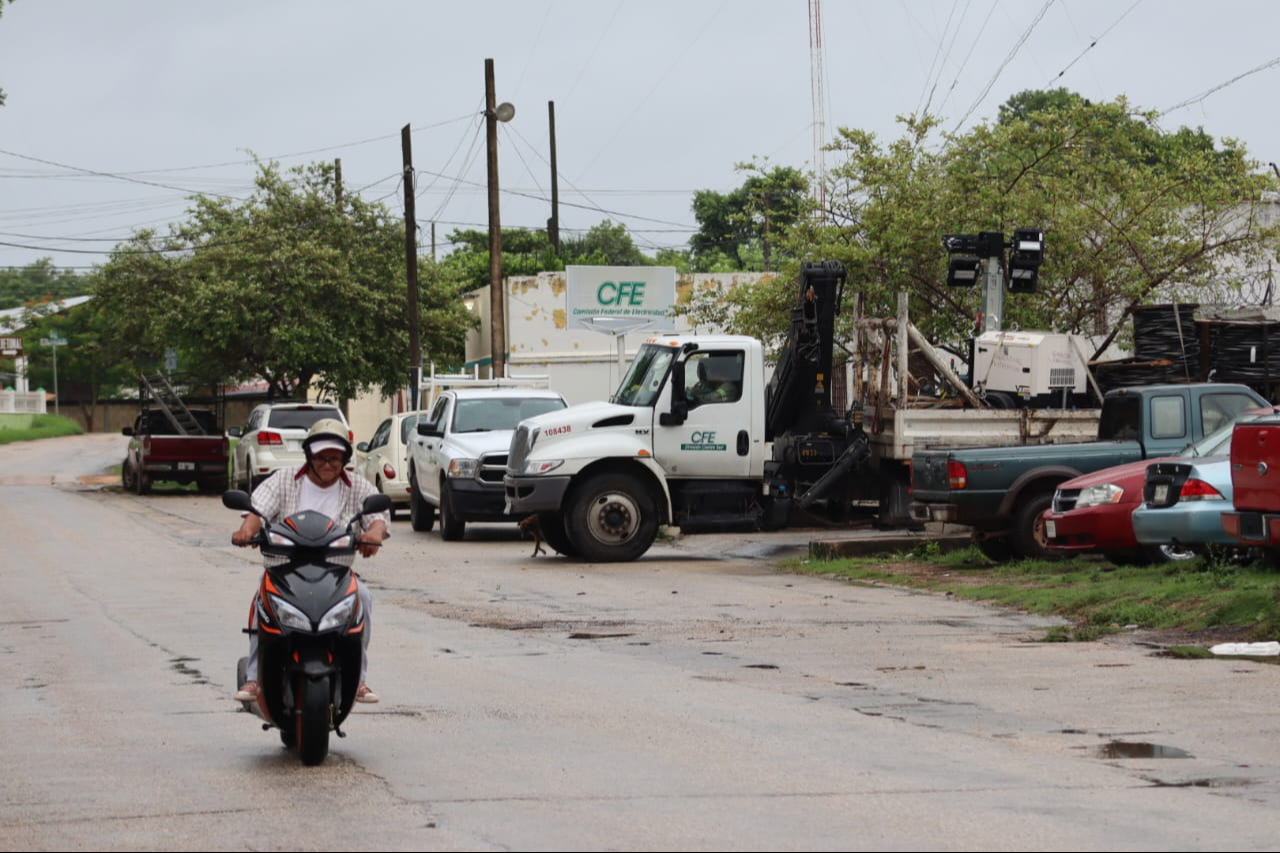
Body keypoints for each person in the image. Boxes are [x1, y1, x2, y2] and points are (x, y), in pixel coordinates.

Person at [231, 418, 390, 704]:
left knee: (363, 599)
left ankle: (358, 681)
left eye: (335, 458)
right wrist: (246, 532)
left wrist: (373, 535)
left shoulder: (358, 486)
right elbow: (258, 513)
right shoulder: (284, 479)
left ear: (344, 458)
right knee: (261, 603)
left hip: (336, 574)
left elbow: (377, 518)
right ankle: (255, 677)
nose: (328, 464)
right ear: (309, 456)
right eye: (321, 457)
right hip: (283, 571)